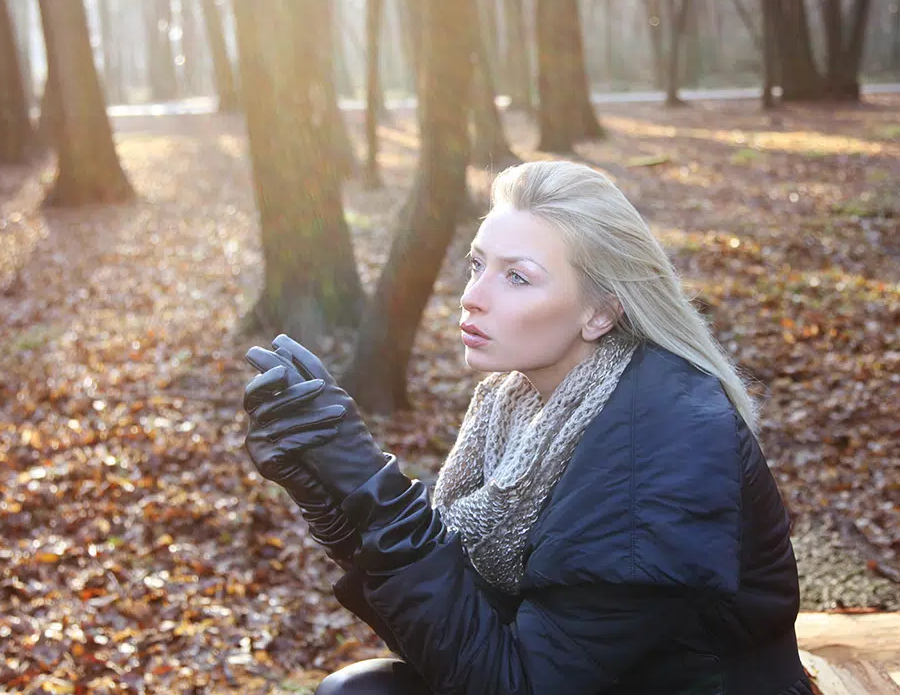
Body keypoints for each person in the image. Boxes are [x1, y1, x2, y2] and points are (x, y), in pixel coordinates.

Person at [242, 160, 814, 695]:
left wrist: (374, 488)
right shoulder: (518, 406)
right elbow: (451, 634)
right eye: (476, 265)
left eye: (517, 278)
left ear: (601, 312)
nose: (471, 298)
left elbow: (516, 682)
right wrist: (328, 492)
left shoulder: (656, 449)